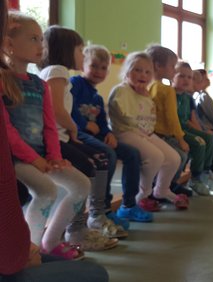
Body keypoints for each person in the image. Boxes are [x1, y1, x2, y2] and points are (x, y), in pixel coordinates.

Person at [0, 3, 108, 281]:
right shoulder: (4, 81)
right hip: (17, 157)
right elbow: (8, 131)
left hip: (40, 154)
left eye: (41, 39)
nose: (41, 45)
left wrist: (54, 155)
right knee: (45, 190)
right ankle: (29, 250)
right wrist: (34, 159)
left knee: (80, 183)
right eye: (33, 39)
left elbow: (50, 126)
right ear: (9, 44)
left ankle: (48, 243)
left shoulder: (40, 84)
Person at [37, 25, 119, 251]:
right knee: (89, 166)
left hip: (60, 137)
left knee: (99, 159)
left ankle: (87, 220)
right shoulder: (58, 71)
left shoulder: (55, 72)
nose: (83, 55)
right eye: (80, 50)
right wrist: (74, 128)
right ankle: (77, 229)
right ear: (66, 49)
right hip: (56, 139)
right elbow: (56, 109)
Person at [70, 45, 145, 225]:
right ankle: (102, 207)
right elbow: (67, 109)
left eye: (103, 68)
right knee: (108, 155)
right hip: (76, 134)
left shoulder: (96, 97)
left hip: (94, 136)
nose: (98, 71)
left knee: (132, 154)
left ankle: (128, 204)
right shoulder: (75, 84)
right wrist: (83, 123)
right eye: (94, 66)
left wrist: (109, 133)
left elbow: (102, 122)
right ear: (83, 65)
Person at [108, 52, 181, 216]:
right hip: (124, 132)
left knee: (173, 158)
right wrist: (140, 96)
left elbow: (149, 120)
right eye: (137, 70)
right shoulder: (122, 91)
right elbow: (124, 116)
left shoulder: (145, 94)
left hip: (143, 133)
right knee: (155, 157)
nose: (143, 75)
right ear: (127, 72)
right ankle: (142, 195)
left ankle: (161, 190)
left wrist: (146, 99)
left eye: (148, 72)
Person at [145, 44, 193, 198]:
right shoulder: (166, 90)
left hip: (149, 132)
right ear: (158, 66)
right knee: (181, 156)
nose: (174, 70)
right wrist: (181, 139)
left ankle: (157, 187)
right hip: (161, 134)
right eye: (172, 66)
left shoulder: (148, 86)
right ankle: (166, 186)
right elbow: (172, 118)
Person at [172, 61, 213, 195]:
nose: (186, 80)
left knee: (209, 137)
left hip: (186, 127)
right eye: (181, 76)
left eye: (189, 77)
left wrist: (202, 132)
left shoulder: (188, 97)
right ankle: (195, 178)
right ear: (172, 76)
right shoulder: (170, 94)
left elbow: (192, 119)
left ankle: (205, 172)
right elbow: (173, 121)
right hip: (176, 129)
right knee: (199, 143)